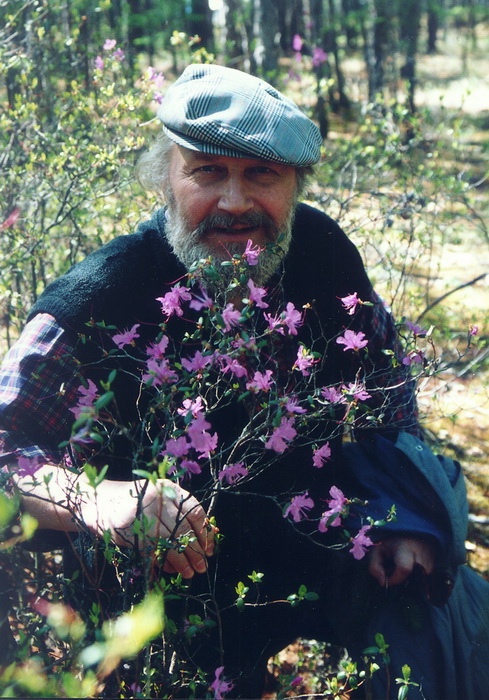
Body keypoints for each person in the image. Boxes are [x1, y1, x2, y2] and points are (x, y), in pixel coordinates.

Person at [0, 64, 487, 699]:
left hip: (307, 543)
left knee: (448, 610)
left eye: (262, 173)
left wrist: (396, 516)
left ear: (295, 185)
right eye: (207, 171)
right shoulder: (100, 298)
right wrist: (98, 502)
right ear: (167, 180)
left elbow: (386, 393)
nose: (234, 202)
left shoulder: (321, 255)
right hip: (158, 592)